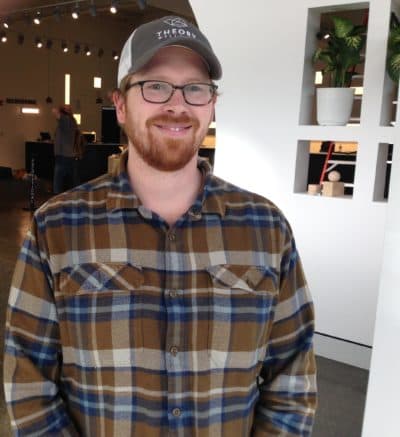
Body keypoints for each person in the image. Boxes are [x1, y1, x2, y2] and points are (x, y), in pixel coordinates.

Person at [4, 16, 317, 436]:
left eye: (195, 87)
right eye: (155, 86)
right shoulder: (58, 228)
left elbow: (292, 379)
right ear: (120, 105)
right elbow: (27, 378)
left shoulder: (265, 227)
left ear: (211, 104)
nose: (177, 104)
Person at [52, 104, 80, 193]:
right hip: (68, 154)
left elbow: (56, 113)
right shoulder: (72, 121)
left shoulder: (66, 119)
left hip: (63, 155)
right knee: (71, 180)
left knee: (58, 181)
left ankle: (57, 199)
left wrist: (58, 110)